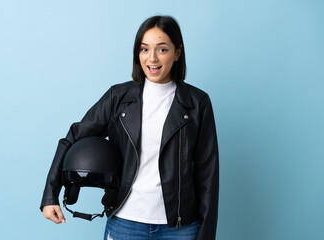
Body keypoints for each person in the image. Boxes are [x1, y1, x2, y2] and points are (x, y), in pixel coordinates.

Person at [40, 15, 219, 240]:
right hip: (126, 222)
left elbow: (208, 174)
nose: (152, 58)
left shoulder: (197, 103)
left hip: (180, 228)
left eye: (162, 49)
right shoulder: (118, 97)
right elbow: (73, 138)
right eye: (144, 49)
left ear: (177, 53)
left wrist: (206, 235)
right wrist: (50, 195)